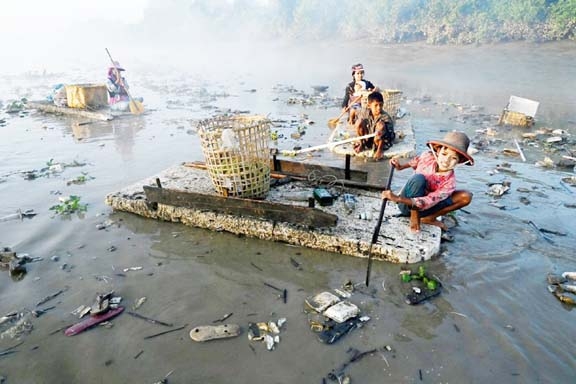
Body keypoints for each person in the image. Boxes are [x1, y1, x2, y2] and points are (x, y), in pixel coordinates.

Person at [381, 131, 474, 237]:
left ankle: (429, 218)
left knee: (466, 196)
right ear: (438, 151)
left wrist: (397, 198)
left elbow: (429, 201)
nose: (447, 160)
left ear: (460, 161)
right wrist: (400, 166)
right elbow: (415, 162)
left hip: (426, 207)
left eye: (453, 158)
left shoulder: (450, 183)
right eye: (444, 154)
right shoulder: (427, 157)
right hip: (407, 205)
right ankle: (413, 213)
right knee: (418, 179)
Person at [353, 91, 395, 161]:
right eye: (376, 105)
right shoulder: (364, 112)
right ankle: (362, 144)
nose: (379, 108)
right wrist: (351, 119)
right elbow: (354, 110)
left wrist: (380, 148)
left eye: (381, 105)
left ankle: (379, 149)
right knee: (358, 122)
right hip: (368, 137)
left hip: (381, 140)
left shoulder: (385, 117)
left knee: (381, 125)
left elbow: (389, 136)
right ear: (369, 105)